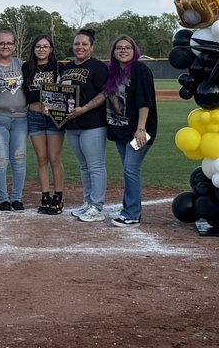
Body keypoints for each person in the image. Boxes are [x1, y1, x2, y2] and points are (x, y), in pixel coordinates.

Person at [104, 35, 158, 227]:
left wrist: (141, 129)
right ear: (114, 52)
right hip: (121, 129)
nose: (123, 51)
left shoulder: (139, 69)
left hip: (140, 129)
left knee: (131, 168)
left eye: (127, 48)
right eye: (119, 48)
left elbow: (145, 102)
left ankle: (132, 213)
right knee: (129, 169)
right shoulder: (113, 71)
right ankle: (131, 210)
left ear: (134, 50)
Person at [61, 28, 109, 221]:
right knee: (83, 166)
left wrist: (85, 109)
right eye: (77, 44)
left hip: (92, 124)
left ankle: (96, 206)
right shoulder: (65, 67)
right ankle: (88, 202)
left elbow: (105, 93)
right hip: (72, 124)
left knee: (95, 165)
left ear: (91, 47)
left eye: (84, 44)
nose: (80, 47)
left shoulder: (98, 66)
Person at [22, 34, 66, 215]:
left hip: (54, 116)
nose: (41, 49)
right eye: (38, 46)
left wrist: (54, 107)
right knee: (41, 158)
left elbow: (65, 94)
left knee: (54, 158)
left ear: (51, 49)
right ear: (33, 49)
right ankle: (45, 195)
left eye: (45, 46)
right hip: (34, 115)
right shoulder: (26, 67)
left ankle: (58, 196)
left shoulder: (58, 67)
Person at [0, 30, 27, 212]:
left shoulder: (21, 64)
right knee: (0, 160)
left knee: (18, 158)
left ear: (14, 45)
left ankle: (17, 198)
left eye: (9, 43)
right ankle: (4, 199)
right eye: (1, 43)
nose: (5, 46)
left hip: (20, 118)